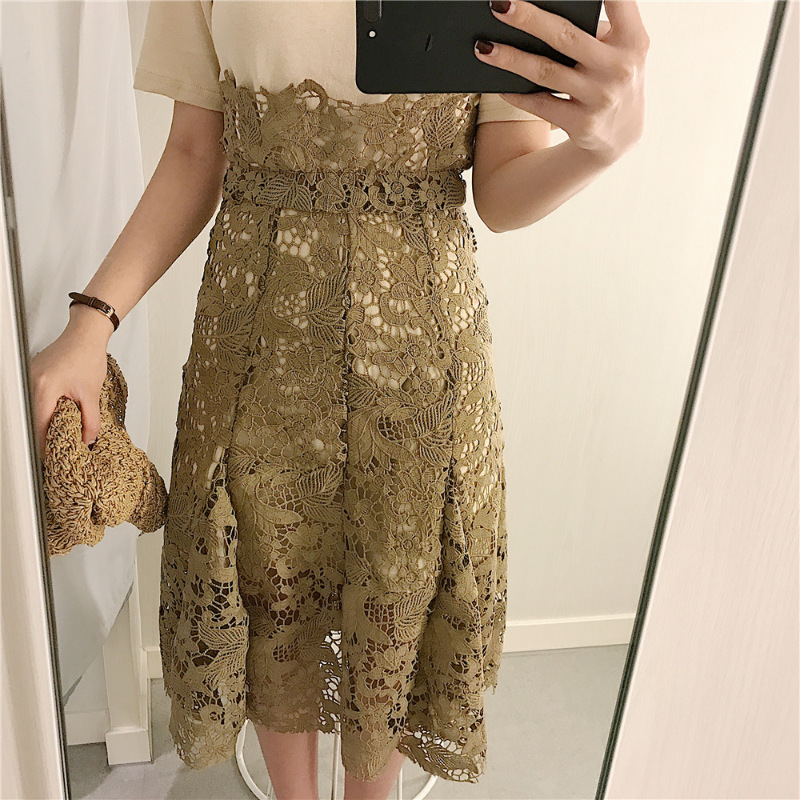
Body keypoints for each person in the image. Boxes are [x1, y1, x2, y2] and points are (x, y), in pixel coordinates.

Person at [30, 2, 647, 798]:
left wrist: (600, 149)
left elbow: (500, 189)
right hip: (255, 339)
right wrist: (92, 322)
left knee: (399, 569)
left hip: (419, 351)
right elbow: (193, 153)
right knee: (265, 570)